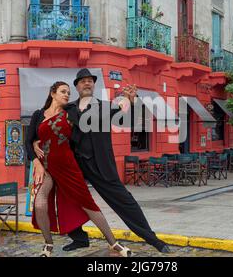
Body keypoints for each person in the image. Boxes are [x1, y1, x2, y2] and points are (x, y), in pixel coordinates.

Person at [34, 69, 171, 253]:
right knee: (66, 199)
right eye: (83, 81)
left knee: (124, 201)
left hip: (101, 165)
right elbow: (46, 126)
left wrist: (133, 101)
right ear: (77, 86)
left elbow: (130, 121)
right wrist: (36, 142)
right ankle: (80, 238)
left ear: (94, 85)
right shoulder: (68, 109)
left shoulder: (106, 107)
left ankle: (153, 239)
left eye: (90, 80)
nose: (87, 83)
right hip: (74, 164)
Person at [26, 81, 131, 257]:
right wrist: (35, 159)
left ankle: (113, 243)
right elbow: (28, 141)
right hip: (47, 167)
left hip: (68, 167)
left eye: (68, 92)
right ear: (52, 94)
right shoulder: (38, 115)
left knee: (88, 203)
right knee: (40, 203)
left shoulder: (71, 113)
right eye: (63, 91)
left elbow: (94, 117)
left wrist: (118, 106)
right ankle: (48, 244)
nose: (67, 95)